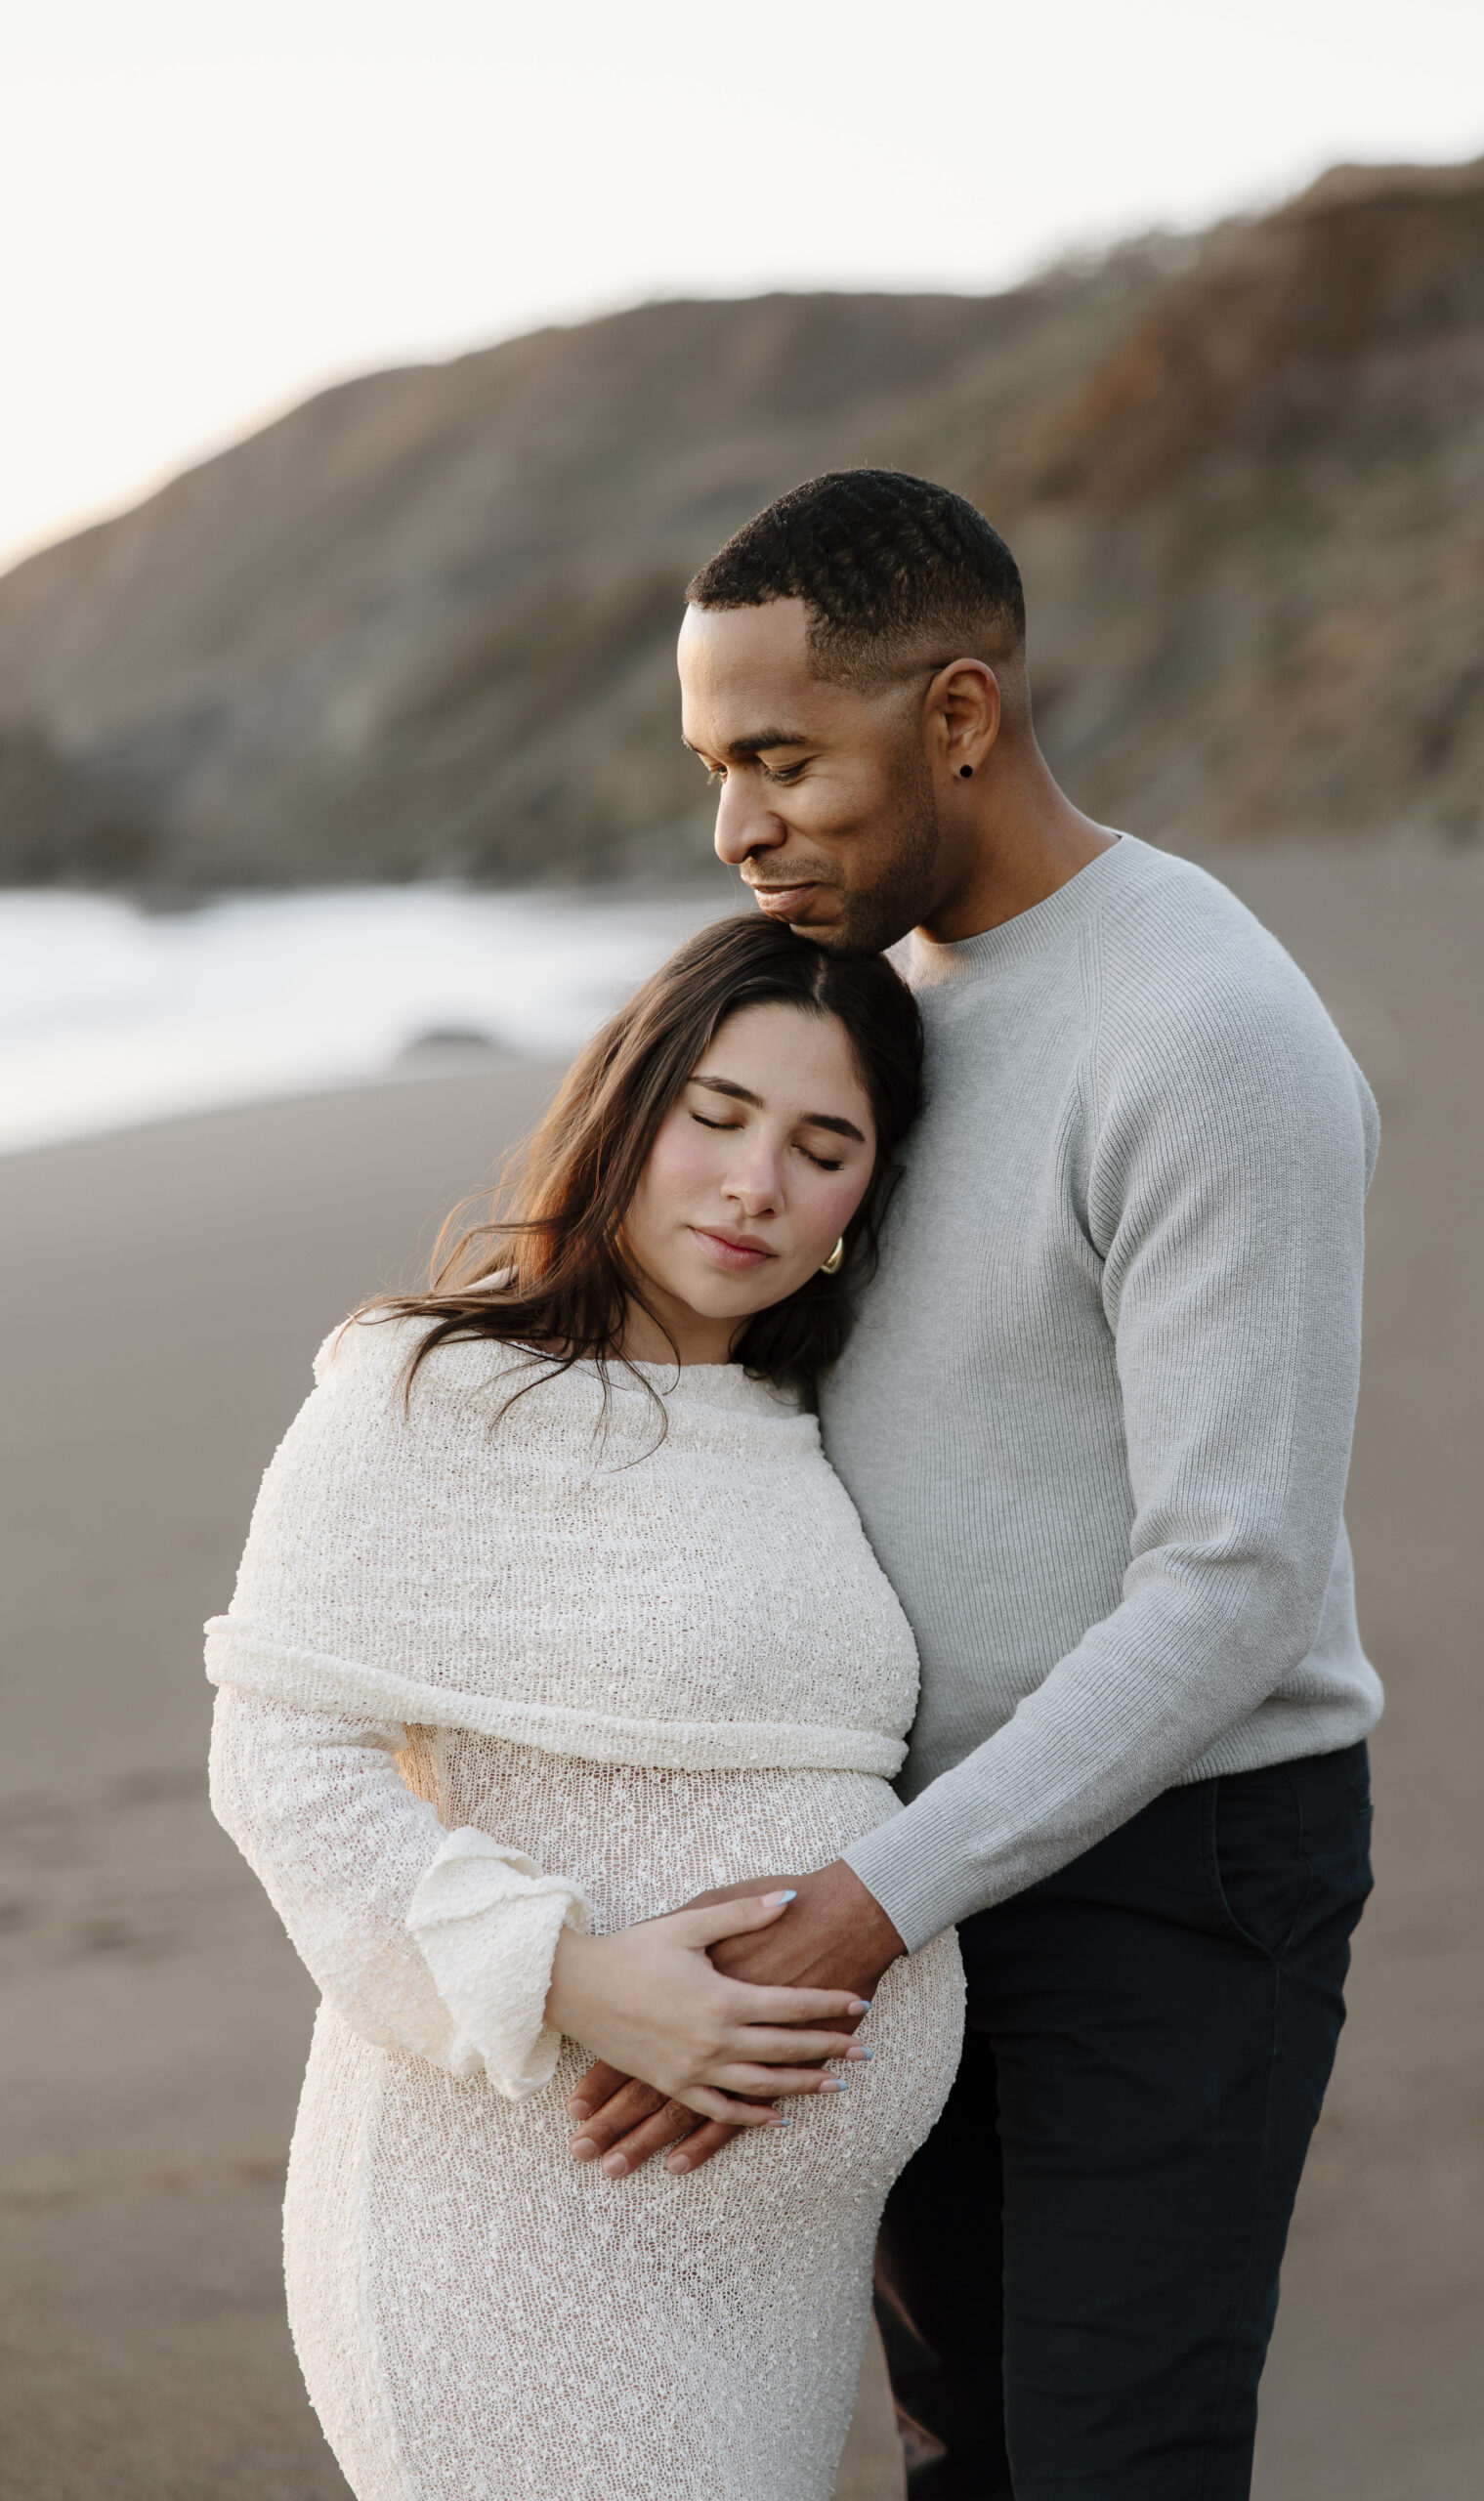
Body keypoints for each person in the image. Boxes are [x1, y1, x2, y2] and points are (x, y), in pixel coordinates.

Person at [566, 470, 1382, 2500]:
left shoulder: (1200, 1033)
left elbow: (1235, 1583)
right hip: (910, 1858)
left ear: (952, 717)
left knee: (1115, 2461)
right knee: (968, 2454)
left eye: (777, 758)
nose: (733, 826)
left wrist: (866, 1906)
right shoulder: (879, 1006)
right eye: (709, 765)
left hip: (1168, 1870)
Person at [206, 915, 965, 2501]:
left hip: (766, 2285)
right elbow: (279, 1756)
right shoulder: (422, 1391)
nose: (759, 1182)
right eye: (718, 1115)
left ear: (863, 1203)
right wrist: (576, 1976)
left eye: (825, 1147)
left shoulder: (805, 1429)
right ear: (630, 1107)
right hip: (510, 2228)